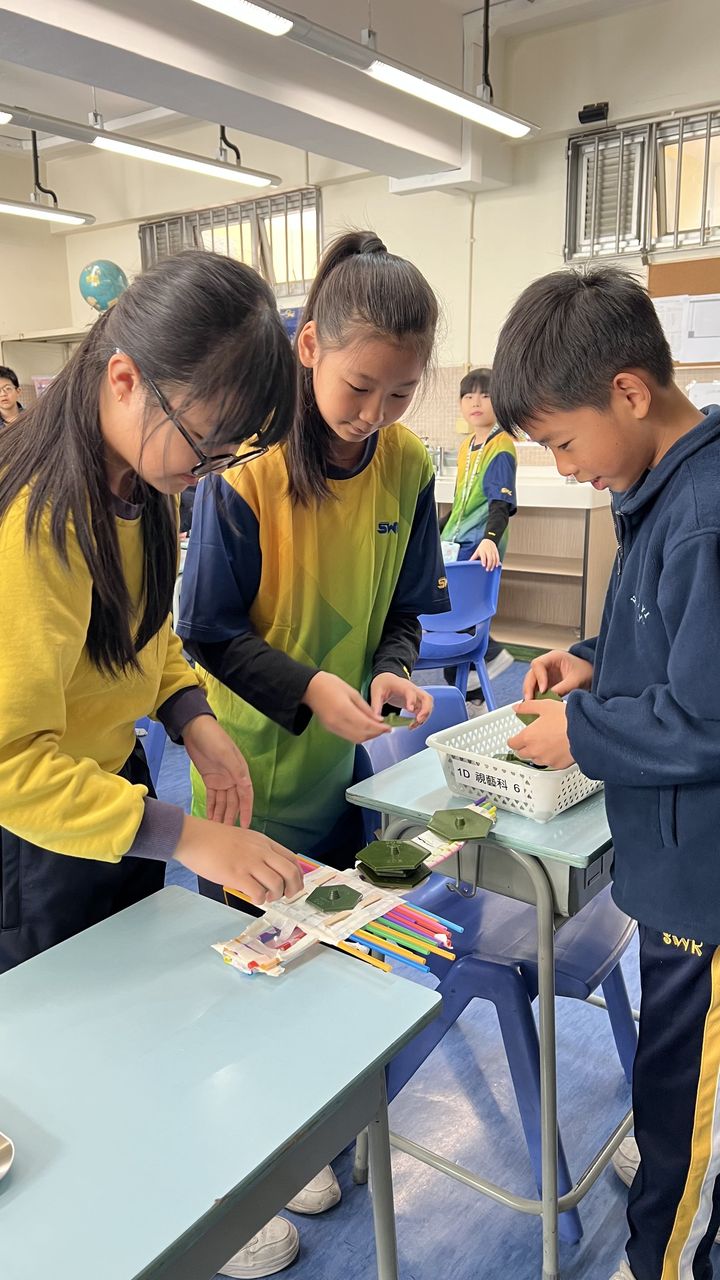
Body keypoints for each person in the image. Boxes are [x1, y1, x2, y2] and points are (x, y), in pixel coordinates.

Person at [177, 230, 449, 1278]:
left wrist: (388, 670)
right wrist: (307, 690)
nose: (375, 414)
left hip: (346, 775)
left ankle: (311, 1134)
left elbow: (405, 608)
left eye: (401, 393)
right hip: (247, 777)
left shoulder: (409, 465)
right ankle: (249, 1168)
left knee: (331, 962)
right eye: (358, 387)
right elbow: (207, 630)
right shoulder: (243, 470)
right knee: (252, 978)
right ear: (307, 348)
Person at [491, 263, 720, 1280]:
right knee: (674, 1075)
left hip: (706, 885)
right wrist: (592, 657)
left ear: (628, 391)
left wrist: (580, 732)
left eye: (561, 442)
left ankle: (663, 1254)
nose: (565, 467)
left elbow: (707, 717)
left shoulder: (704, 512)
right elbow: (671, 642)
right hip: (675, 868)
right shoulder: (659, 485)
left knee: (687, 1103)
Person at [0, 250, 304, 980]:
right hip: (40, 829)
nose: (206, 471)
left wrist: (192, 719)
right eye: (203, 445)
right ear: (124, 379)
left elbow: (143, 632)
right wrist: (185, 836)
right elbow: (11, 762)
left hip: (113, 794)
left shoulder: (144, 479)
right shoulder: (37, 525)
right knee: (64, 1022)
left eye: (225, 455)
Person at [440, 366, 517, 694]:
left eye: (485, 396)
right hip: (455, 542)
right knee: (449, 610)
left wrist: (490, 541)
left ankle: (492, 655)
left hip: (478, 545)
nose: (476, 402)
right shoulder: (466, 447)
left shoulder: (501, 446)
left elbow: (500, 503)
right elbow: (460, 505)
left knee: (457, 611)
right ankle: (468, 690)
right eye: (468, 396)